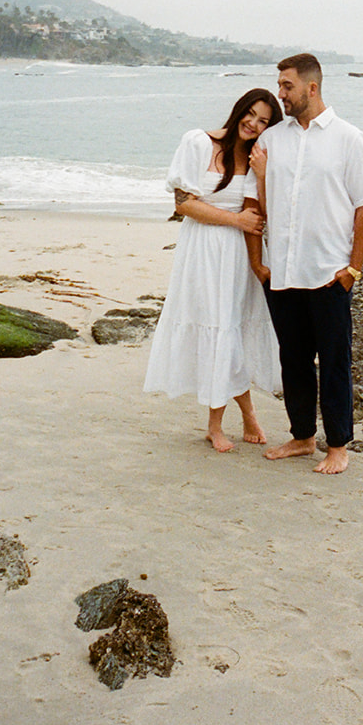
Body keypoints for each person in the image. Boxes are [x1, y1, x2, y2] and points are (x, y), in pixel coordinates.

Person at [243, 53, 363, 474]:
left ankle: (338, 445)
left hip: (329, 274)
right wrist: (258, 263)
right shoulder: (272, 140)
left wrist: (353, 268)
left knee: (335, 360)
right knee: (294, 358)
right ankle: (303, 437)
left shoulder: (348, 138)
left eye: (286, 86)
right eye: (280, 85)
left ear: (312, 87)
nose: (280, 93)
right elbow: (256, 203)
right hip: (282, 270)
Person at [143, 88, 283, 452]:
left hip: (237, 255)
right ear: (239, 111)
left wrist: (264, 175)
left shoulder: (255, 157)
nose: (254, 124)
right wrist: (235, 219)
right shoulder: (198, 142)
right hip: (202, 252)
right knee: (217, 330)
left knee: (231, 332)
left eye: (264, 121)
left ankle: (243, 414)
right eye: (251, 114)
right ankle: (217, 424)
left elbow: (261, 212)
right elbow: (184, 204)